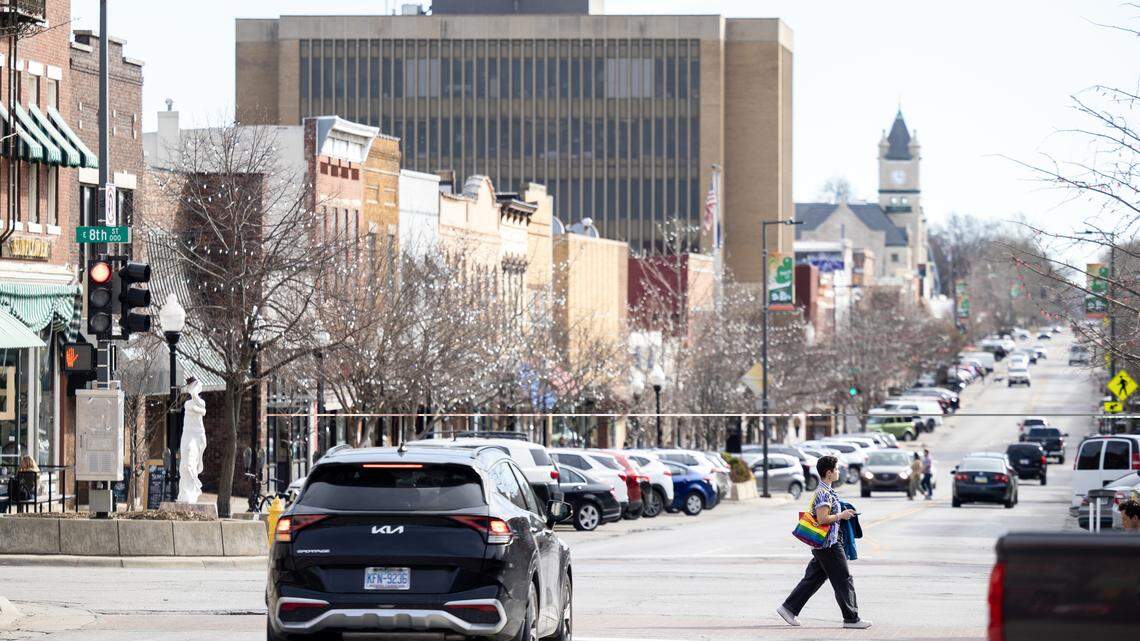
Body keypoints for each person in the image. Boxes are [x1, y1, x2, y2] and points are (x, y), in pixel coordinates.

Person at [778, 455, 872, 630]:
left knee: (813, 579)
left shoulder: (827, 490)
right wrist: (841, 516)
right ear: (829, 473)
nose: (838, 472)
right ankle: (851, 619)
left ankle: (788, 609)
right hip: (828, 544)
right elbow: (822, 519)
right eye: (836, 469)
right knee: (844, 579)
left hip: (823, 545)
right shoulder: (823, 493)